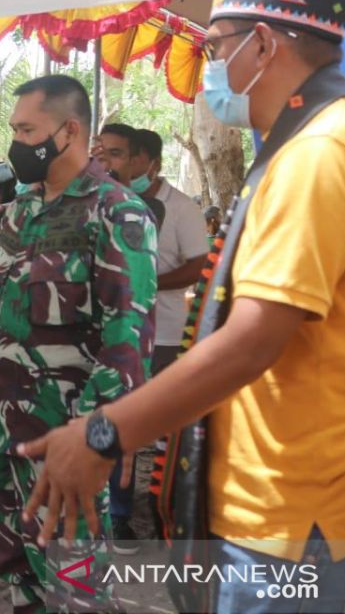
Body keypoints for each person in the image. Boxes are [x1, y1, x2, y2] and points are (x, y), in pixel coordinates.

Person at [19, 0, 345, 614]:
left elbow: (251, 341)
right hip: (287, 524)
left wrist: (103, 434)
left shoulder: (325, 152)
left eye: (213, 47)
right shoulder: (322, 140)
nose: (209, 68)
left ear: (262, 45)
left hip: (304, 534)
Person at [0, 74, 158, 613]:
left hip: (68, 444)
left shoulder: (116, 212)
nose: (16, 143)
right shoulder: (20, 212)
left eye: (27, 130)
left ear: (70, 131)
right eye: (14, 130)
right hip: (7, 432)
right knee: (20, 574)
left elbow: (128, 342)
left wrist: (98, 439)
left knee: (77, 586)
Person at [129, 128, 210, 548]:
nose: (116, 167)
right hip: (120, 334)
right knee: (120, 428)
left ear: (150, 163)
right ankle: (123, 518)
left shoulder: (180, 209)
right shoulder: (109, 201)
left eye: (123, 158)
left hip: (163, 334)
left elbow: (199, 265)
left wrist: (149, 284)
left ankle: (166, 519)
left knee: (162, 434)